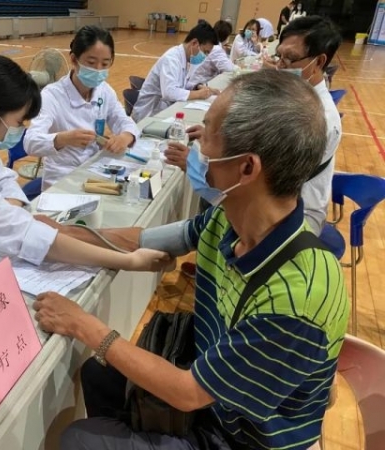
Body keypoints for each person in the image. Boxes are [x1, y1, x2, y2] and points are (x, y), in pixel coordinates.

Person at [34, 70, 349, 450]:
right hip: (216, 397)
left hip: (240, 438)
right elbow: (144, 239)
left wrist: (84, 325)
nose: (197, 143)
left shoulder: (297, 298)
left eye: (209, 131)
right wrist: (65, 233)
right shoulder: (229, 219)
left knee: (78, 439)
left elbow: (189, 393)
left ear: (247, 167)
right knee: (99, 375)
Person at [0, 54, 170, 293]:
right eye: (18, 121)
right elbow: (28, 235)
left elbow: (5, 179)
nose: (20, 128)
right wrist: (128, 261)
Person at [24, 26, 140, 189]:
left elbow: (123, 120)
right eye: (91, 63)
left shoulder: (104, 91)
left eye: (105, 64)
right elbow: (30, 142)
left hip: (96, 172)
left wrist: (126, 136)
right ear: (73, 60)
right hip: (62, 179)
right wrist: (63, 139)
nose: (98, 70)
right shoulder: (52, 95)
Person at [264, 15, 343, 233]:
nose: (280, 66)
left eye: (290, 59)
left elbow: (274, 179)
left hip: (299, 214)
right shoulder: (296, 94)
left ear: (318, 62)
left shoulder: (318, 118)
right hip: (279, 198)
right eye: (279, 56)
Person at [131, 21, 219, 122]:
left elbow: (180, 85)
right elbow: (169, 92)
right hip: (148, 116)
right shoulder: (171, 58)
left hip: (163, 110)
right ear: (194, 43)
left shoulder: (184, 58)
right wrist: (199, 94)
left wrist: (198, 87)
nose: (205, 56)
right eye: (205, 52)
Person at [186, 20, 235, 92]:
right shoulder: (216, 48)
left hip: (195, 82)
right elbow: (229, 68)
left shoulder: (214, 46)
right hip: (197, 84)